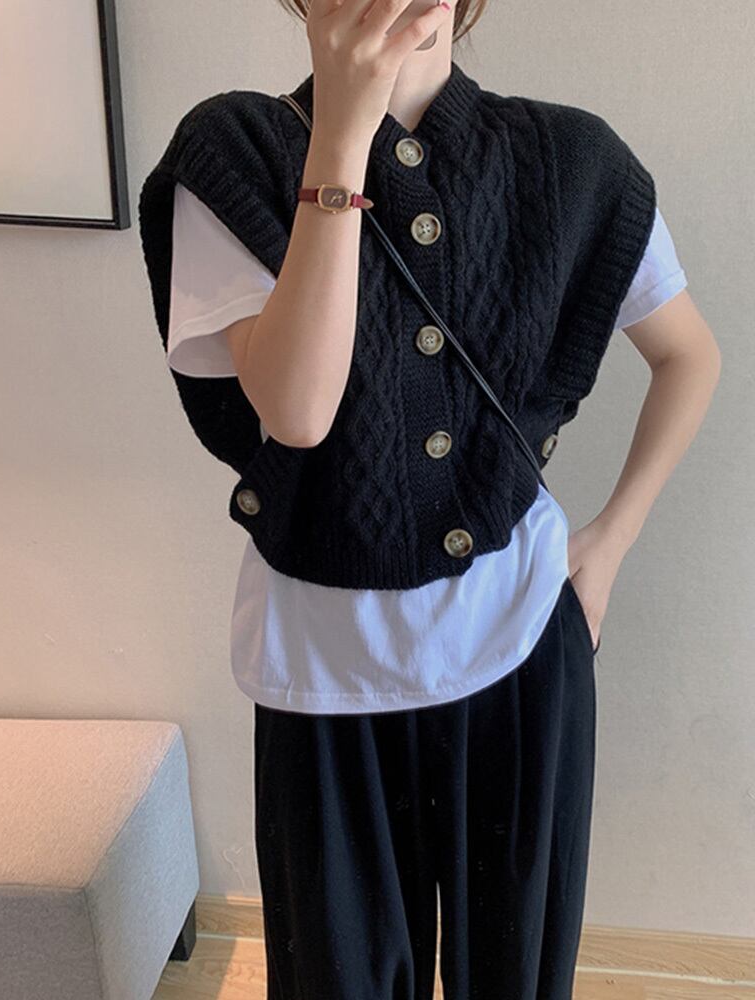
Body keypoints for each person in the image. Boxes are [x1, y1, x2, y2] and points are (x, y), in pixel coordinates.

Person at [137, 1, 722, 997]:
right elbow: (298, 410)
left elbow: (688, 356)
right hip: (323, 674)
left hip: (519, 644)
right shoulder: (233, 152)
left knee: (519, 978)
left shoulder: (568, 160)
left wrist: (610, 543)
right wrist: (340, 134)